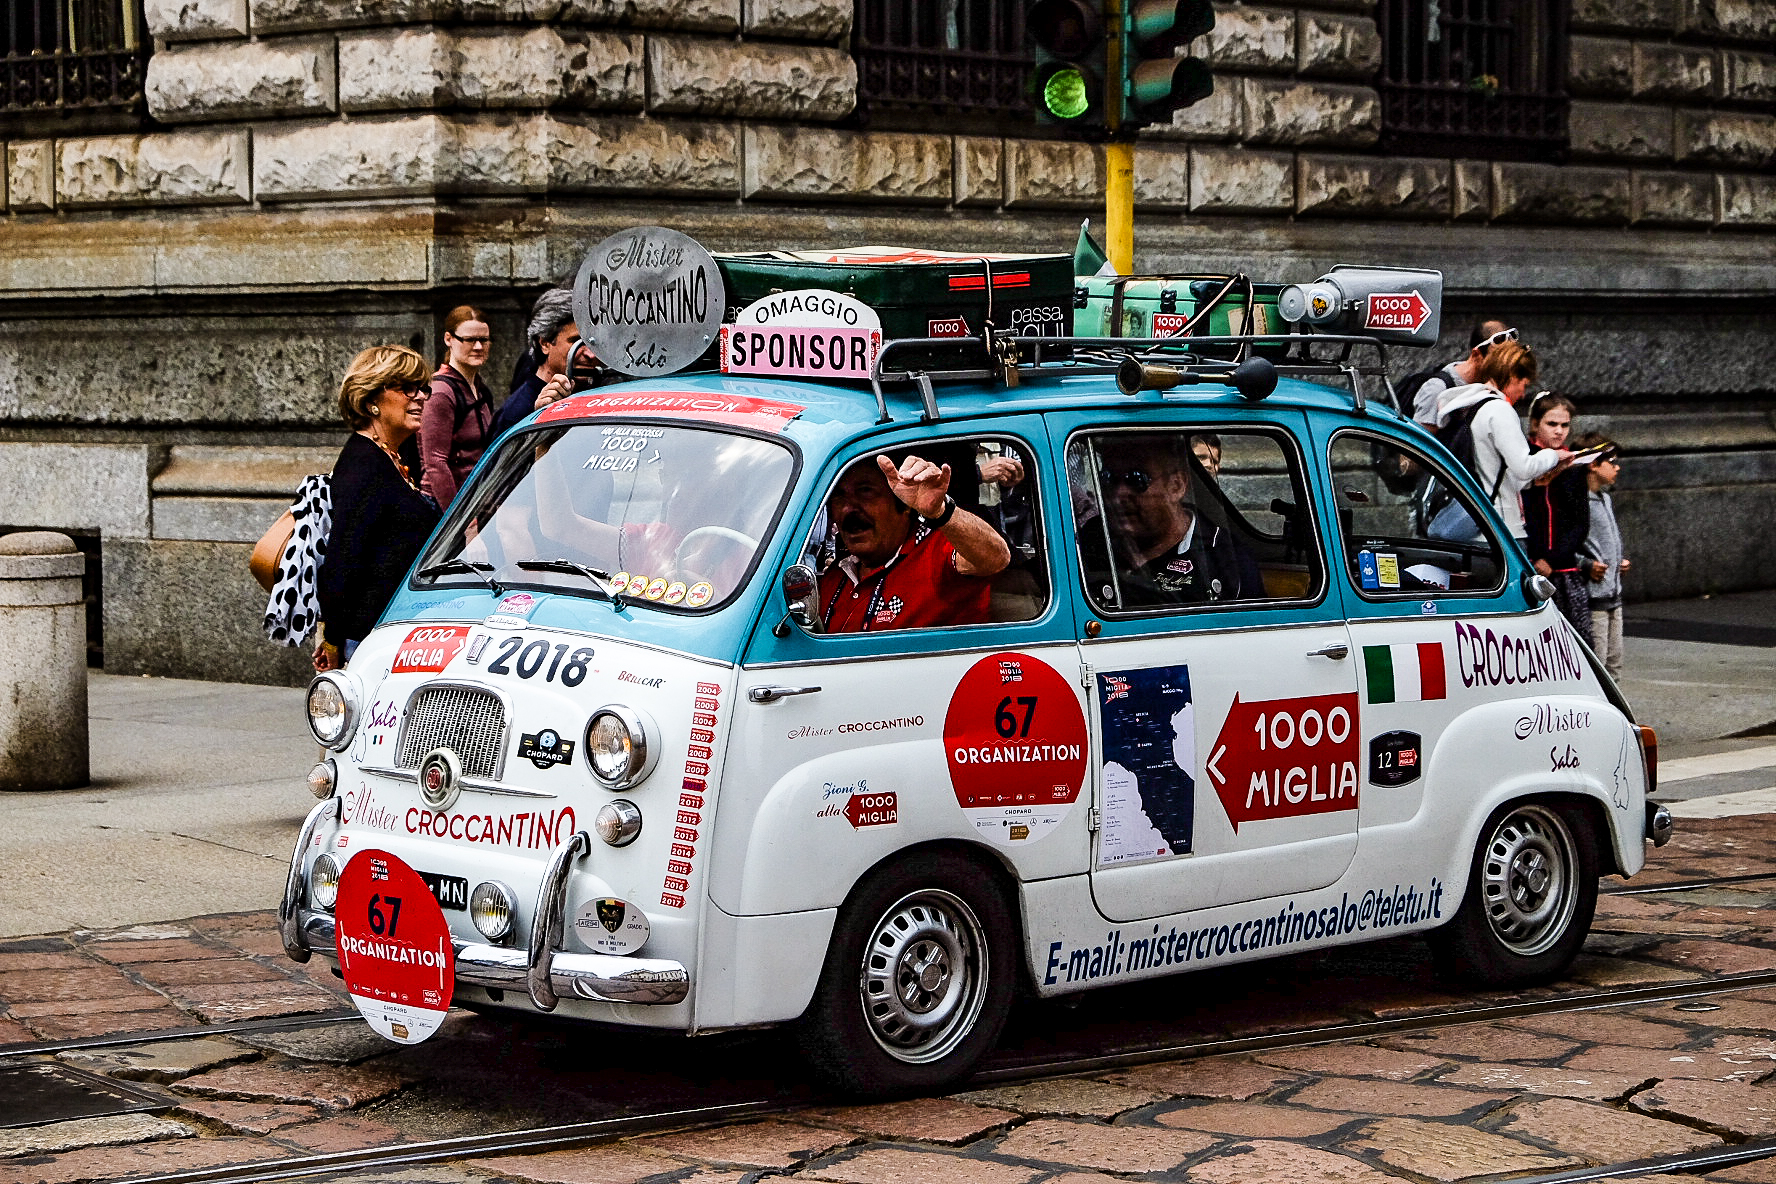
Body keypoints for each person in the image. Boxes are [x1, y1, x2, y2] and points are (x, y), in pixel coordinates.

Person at [315, 345, 443, 670]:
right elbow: (343, 558)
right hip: (369, 641)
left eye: (423, 388)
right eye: (407, 388)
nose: (420, 397)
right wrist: (332, 639)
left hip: (396, 631)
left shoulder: (393, 455)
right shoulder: (364, 464)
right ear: (371, 399)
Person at [817, 452, 1010, 632]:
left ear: (905, 504)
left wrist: (941, 512)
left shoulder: (936, 552)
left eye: (865, 491)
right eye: (839, 495)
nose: (848, 508)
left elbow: (996, 558)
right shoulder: (835, 575)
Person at [1078, 434, 1261, 607]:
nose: (1118, 494)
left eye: (1136, 479)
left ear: (1176, 486)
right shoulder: (1090, 540)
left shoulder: (1224, 558)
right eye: (1107, 478)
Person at [1432, 341, 1572, 545]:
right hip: (1500, 527)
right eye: (1524, 385)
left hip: (1473, 523)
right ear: (1513, 376)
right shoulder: (1499, 410)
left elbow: (1491, 469)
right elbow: (1524, 467)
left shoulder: (1469, 407)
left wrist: (1533, 481)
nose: (1523, 394)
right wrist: (1554, 456)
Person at [490, 289, 612, 441]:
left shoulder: (596, 396)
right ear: (544, 343)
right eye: (576, 341)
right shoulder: (516, 414)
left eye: (593, 341)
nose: (591, 354)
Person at [1522, 392, 1591, 635]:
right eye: (1552, 424)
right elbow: (1526, 514)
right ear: (1535, 424)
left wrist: (1553, 559)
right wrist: (1536, 557)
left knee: (1573, 637)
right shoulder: (1524, 458)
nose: (1559, 431)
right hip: (1529, 564)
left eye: (1565, 425)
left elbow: (1580, 523)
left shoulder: (1574, 467)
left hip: (1563, 567)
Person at [420, 305, 496, 510]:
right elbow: (435, 463)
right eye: (469, 340)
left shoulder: (480, 389)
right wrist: (459, 518)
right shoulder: (441, 392)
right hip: (445, 507)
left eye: (484, 340)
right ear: (449, 339)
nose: (478, 347)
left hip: (475, 501)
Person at [1577, 433, 1629, 679]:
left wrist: (1618, 562)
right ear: (1593, 465)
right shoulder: (1580, 501)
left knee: (1614, 662)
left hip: (1613, 593)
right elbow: (1569, 545)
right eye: (1612, 462)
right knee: (1597, 662)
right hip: (1595, 595)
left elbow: (1608, 540)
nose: (1617, 468)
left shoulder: (1605, 498)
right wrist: (1586, 564)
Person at [1411, 321, 1516, 425]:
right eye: (1496, 362)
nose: (1502, 369)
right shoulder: (1437, 388)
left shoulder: (1491, 386)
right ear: (1476, 355)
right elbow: (1420, 435)